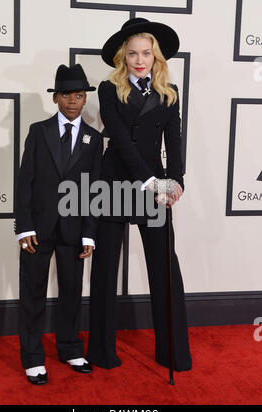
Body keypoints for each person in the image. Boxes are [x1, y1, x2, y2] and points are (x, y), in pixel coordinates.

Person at [87, 18, 192, 372]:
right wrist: (151, 182)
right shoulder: (107, 88)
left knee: (165, 269)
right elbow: (119, 139)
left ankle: (173, 353)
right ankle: (101, 352)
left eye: (146, 53)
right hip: (115, 182)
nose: (139, 59)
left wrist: (175, 182)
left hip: (156, 188)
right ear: (123, 56)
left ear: (156, 56)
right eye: (132, 53)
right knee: (104, 271)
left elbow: (174, 144)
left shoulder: (169, 92)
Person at [15, 64, 103, 385]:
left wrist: (89, 234)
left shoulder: (94, 140)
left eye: (79, 95)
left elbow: (95, 191)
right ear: (55, 98)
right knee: (33, 293)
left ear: (84, 100)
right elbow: (25, 181)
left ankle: (69, 347)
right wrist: (24, 227)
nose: (72, 101)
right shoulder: (38, 132)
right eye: (66, 94)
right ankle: (33, 357)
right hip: (37, 230)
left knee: (71, 292)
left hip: (74, 230)